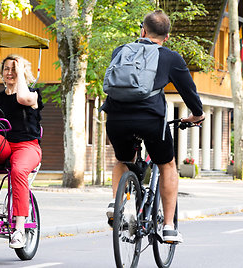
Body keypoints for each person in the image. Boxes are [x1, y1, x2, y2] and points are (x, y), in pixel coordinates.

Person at [102, 10, 205, 243]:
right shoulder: (170, 57)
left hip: (116, 118)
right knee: (167, 164)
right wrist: (197, 115)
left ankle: (115, 203)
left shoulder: (121, 51)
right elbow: (189, 92)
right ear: (166, 37)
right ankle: (169, 227)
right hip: (150, 119)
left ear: (142, 30)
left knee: (123, 160)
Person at [0, 54, 43, 249]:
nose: (10, 72)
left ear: (23, 72)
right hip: (4, 145)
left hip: (27, 146)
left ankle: (19, 229)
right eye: (6, 68)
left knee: (18, 171)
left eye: (14, 69)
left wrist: (20, 71)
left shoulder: (33, 94)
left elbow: (22, 98)